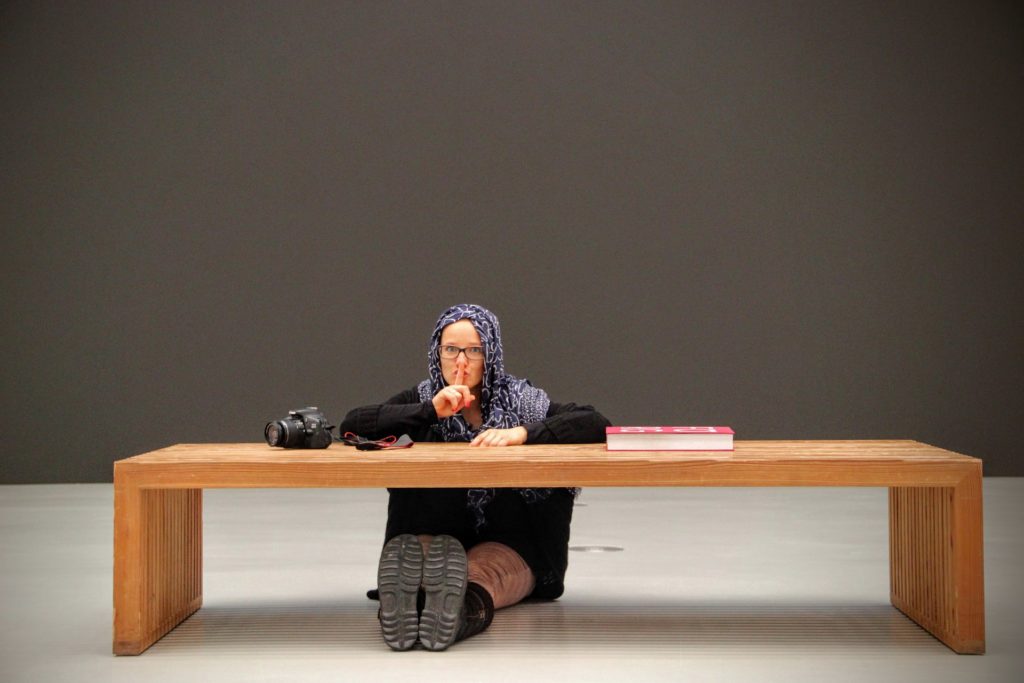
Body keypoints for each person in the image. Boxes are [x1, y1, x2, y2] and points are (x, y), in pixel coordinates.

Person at [339, 303, 610, 651]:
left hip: (510, 540)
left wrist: (522, 434)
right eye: (451, 350)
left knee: (484, 574)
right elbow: (352, 425)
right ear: (437, 352)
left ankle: (454, 615)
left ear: (491, 354)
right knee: (421, 558)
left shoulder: (522, 403)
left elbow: (595, 422)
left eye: (473, 350)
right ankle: (405, 608)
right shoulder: (422, 400)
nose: (461, 362)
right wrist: (429, 412)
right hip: (435, 532)